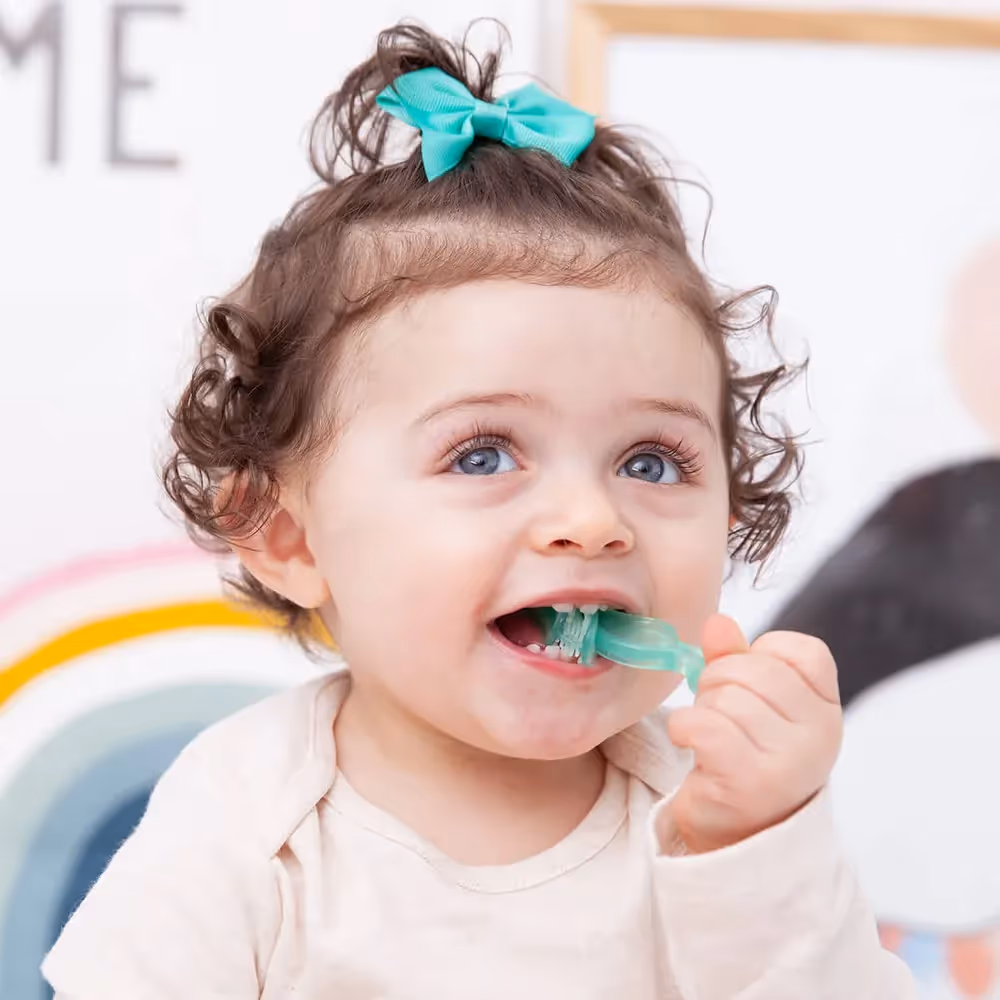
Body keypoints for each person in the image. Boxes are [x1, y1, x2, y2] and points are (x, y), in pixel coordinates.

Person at [41, 22, 914, 1000]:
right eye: (483, 454)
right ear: (288, 536)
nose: (592, 519)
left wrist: (760, 843)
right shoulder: (247, 818)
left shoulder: (710, 813)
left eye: (651, 461)